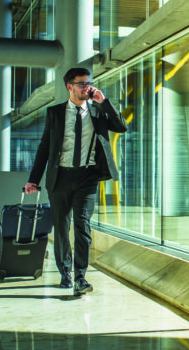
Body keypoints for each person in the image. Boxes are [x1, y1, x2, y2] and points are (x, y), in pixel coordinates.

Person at [25, 67, 128, 295]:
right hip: (60, 177)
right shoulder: (55, 113)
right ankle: (65, 273)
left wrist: (104, 102)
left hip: (87, 177)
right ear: (69, 86)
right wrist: (33, 180)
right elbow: (44, 149)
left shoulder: (98, 112)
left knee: (82, 226)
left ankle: (81, 276)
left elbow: (122, 126)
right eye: (81, 83)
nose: (87, 87)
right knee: (61, 228)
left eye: (88, 83)